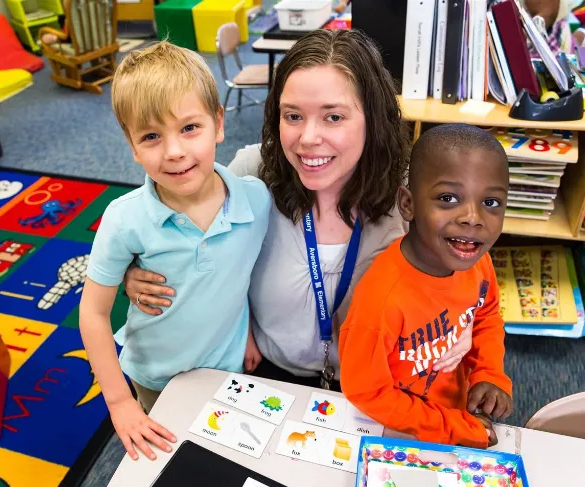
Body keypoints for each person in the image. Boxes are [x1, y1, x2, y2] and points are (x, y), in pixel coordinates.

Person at [122, 30, 470, 392]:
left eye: (333, 117)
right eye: (293, 116)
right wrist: (136, 270)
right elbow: (170, 216)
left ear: (374, 118)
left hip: (376, 381)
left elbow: (469, 272)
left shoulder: (412, 195)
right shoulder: (251, 173)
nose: (307, 138)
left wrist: (463, 318)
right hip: (265, 370)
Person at [79, 41, 271, 461]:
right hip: (154, 375)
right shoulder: (123, 219)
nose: (175, 151)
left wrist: (250, 332)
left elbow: (245, 273)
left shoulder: (256, 201)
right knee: (172, 456)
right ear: (132, 146)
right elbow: (92, 313)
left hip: (228, 367)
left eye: (189, 128)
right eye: (151, 136)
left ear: (218, 124)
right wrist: (119, 403)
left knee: (225, 453)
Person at [339, 124, 514, 449]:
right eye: (448, 198)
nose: (473, 218)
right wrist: (452, 427)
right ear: (408, 204)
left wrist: (490, 373)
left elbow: (487, 316)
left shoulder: (477, 261)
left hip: (457, 410)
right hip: (399, 430)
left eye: (491, 202)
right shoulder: (381, 300)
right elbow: (367, 392)